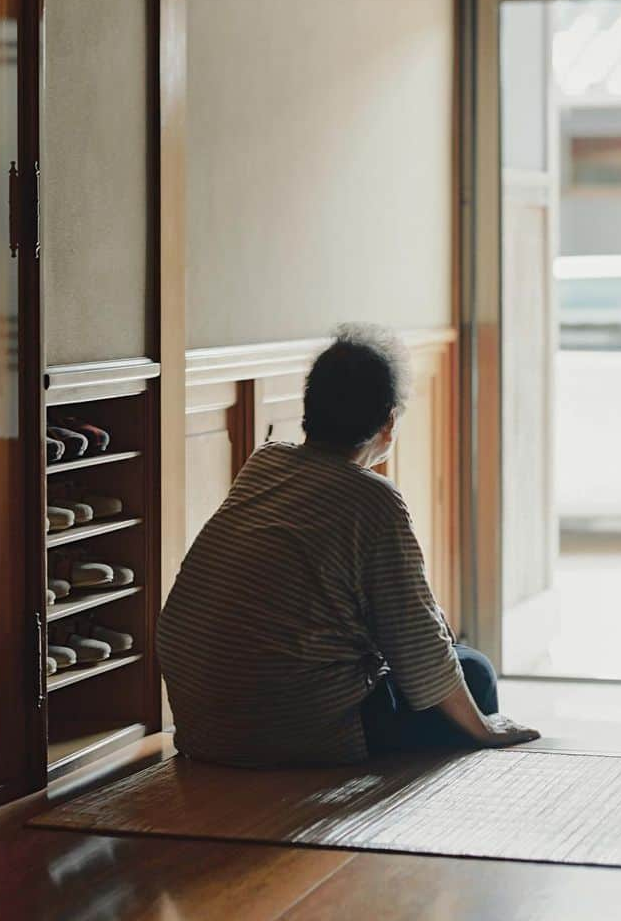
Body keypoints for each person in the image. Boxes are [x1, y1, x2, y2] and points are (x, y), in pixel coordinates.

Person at [157, 323, 539, 767]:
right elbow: (420, 648)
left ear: (310, 409)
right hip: (297, 727)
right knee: (474, 673)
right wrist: (483, 729)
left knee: (451, 667)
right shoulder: (375, 498)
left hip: (203, 726)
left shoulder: (265, 463)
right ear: (389, 423)